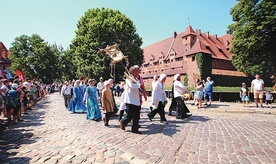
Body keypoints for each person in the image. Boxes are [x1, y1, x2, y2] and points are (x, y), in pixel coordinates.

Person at [119, 65, 142, 134]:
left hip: (136, 100)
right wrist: (139, 86)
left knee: (137, 116)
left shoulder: (137, 79)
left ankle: (135, 129)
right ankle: (123, 121)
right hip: (130, 100)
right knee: (130, 115)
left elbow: (137, 87)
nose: (139, 71)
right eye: (137, 70)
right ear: (132, 71)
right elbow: (132, 86)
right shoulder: (128, 79)